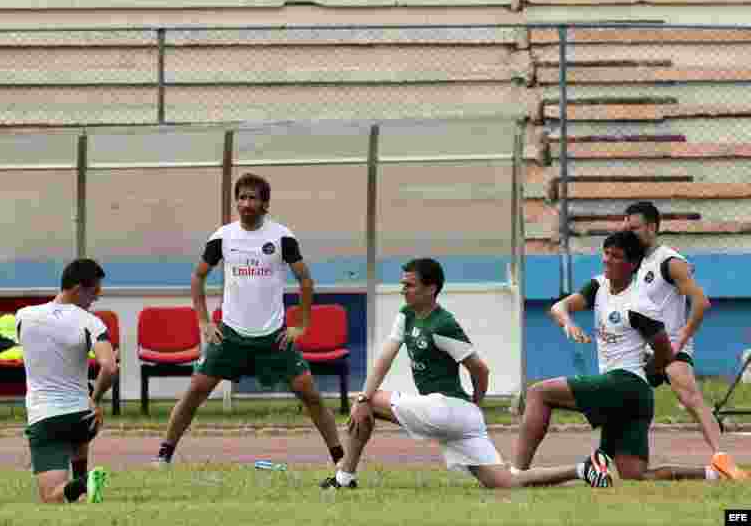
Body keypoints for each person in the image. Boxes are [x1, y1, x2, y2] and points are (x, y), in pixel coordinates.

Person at [322, 258, 606, 490]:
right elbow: (385, 357)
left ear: (431, 289)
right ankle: (584, 469)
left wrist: (477, 400)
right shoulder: (407, 315)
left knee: (368, 403)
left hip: (447, 410)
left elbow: (480, 369)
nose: (403, 290)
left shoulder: (443, 324)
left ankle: (343, 478)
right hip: (459, 417)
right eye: (402, 284)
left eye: (409, 285)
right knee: (505, 481)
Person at [516, 230, 743, 482]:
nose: (607, 260)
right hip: (634, 396)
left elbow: (665, 354)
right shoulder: (598, 285)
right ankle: (714, 473)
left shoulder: (639, 304)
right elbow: (559, 307)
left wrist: (641, 376)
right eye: (605, 254)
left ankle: (517, 472)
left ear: (632, 264)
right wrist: (567, 322)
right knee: (635, 475)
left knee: (538, 392)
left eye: (616, 256)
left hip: (626, 384)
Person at [155, 173, 345, 466]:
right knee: (195, 393)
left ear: (265, 204)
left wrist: (301, 325)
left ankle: (341, 460)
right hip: (230, 336)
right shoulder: (223, 237)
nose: (246, 203)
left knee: (311, 396)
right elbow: (198, 277)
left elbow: (305, 280)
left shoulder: (282, 236)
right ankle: (163, 456)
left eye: (253, 198)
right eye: (241, 197)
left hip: (274, 337)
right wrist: (204, 323)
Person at [623, 201, 746, 479]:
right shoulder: (636, 263)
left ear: (652, 227)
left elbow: (701, 302)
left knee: (690, 397)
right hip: (642, 350)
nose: (628, 233)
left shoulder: (671, 261)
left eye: (635, 228)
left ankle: (723, 460)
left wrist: (681, 341)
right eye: (625, 227)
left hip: (670, 346)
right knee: (621, 397)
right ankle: (617, 459)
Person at [19, 258, 116, 504]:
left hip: (46, 418)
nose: (96, 299)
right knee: (78, 426)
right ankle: (84, 487)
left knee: (51, 497)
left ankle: (83, 483)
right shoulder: (91, 323)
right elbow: (109, 367)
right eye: (94, 292)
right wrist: (95, 400)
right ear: (77, 289)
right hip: (84, 419)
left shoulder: (24, 317)